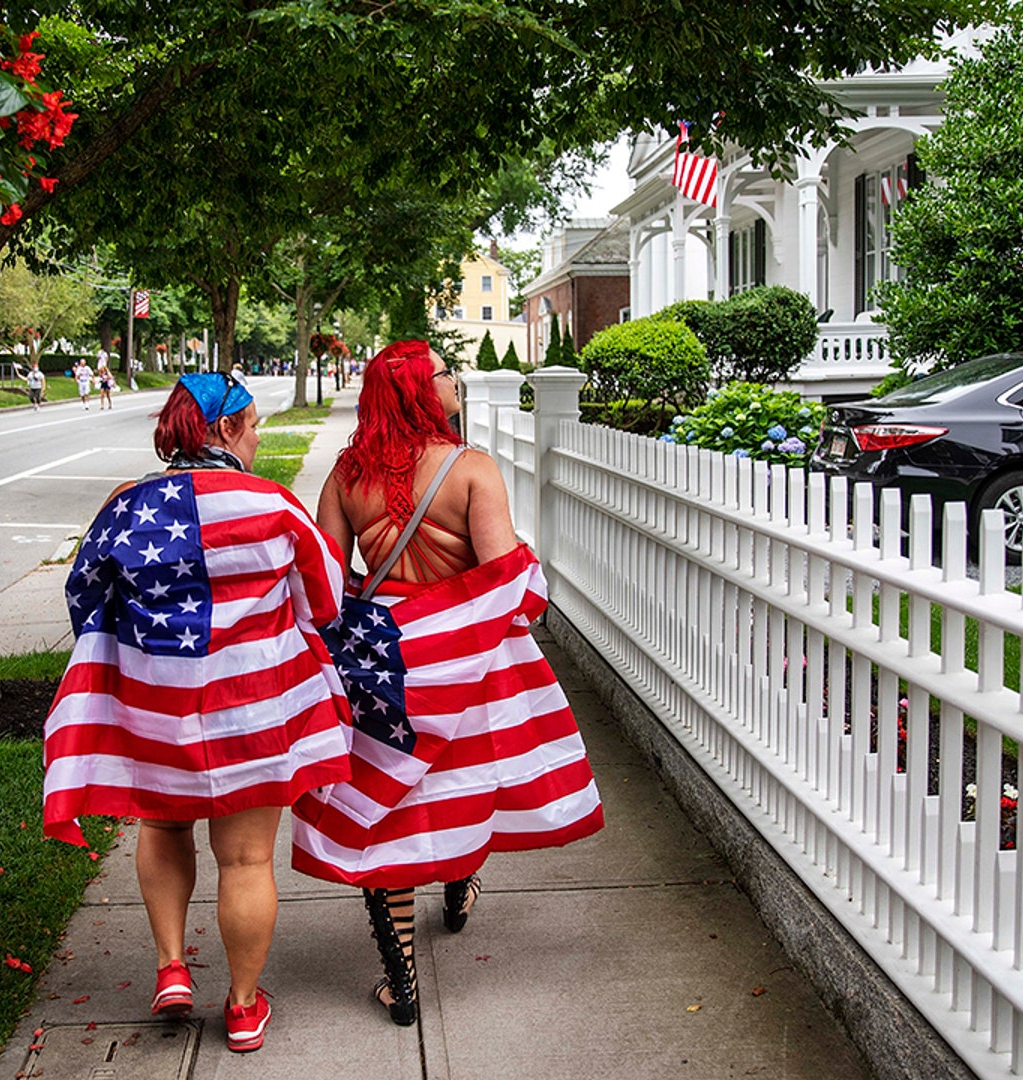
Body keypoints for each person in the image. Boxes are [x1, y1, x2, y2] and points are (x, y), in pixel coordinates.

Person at [290, 339, 605, 1026]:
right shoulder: (471, 470)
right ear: (418, 392)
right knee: (463, 787)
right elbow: (504, 574)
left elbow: (322, 580)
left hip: (387, 668)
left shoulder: (347, 475)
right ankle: (460, 884)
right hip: (467, 668)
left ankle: (400, 977)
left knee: (388, 809)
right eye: (443, 374)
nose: (455, 380)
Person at [43, 373, 354, 1054]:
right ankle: (243, 1008)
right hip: (252, 712)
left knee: (162, 828)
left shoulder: (125, 505)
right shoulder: (272, 506)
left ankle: (171, 967)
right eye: (251, 423)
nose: (258, 435)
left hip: (156, 712)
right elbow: (327, 594)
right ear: (222, 431)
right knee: (245, 860)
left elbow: (82, 594)